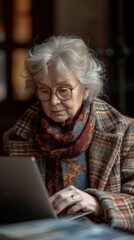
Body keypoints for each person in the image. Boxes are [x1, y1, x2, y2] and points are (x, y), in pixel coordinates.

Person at [2, 34, 134, 233]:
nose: (53, 101)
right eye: (44, 91)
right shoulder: (16, 137)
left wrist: (97, 203)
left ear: (86, 89)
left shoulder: (124, 132)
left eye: (63, 90)